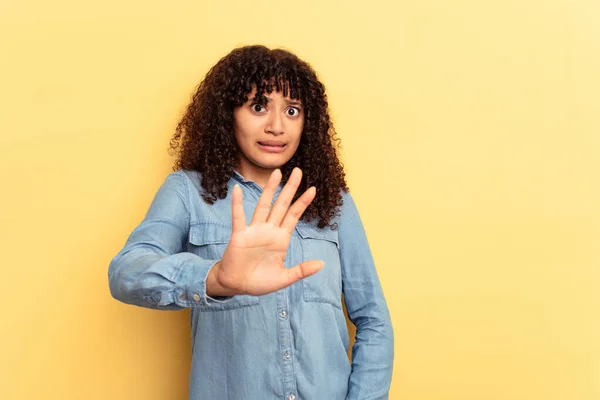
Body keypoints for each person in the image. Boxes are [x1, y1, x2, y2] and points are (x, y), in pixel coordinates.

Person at [108, 45, 394, 400]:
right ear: (228, 114)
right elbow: (126, 273)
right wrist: (213, 278)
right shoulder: (187, 192)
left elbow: (373, 319)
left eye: (292, 111)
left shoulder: (333, 200)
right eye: (258, 107)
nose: (276, 127)